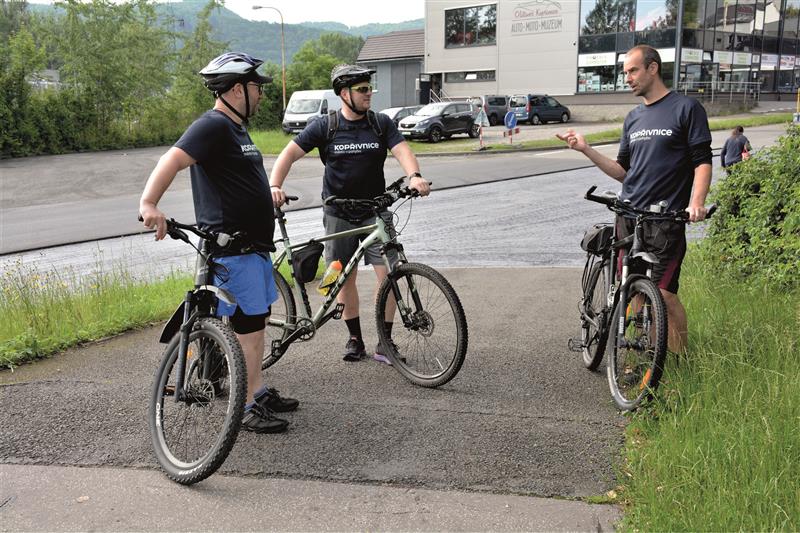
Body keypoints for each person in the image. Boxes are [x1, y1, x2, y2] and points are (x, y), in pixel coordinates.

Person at [139, 52, 298, 434]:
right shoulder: (211, 125)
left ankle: (255, 391)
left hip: (254, 247)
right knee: (246, 328)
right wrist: (149, 203)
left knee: (255, 324)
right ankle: (245, 406)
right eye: (257, 87)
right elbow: (171, 160)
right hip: (233, 250)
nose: (261, 94)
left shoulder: (237, 129)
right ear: (236, 89)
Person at [269, 64, 431, 365]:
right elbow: (288, 154)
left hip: (375, 211)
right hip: (338, 213)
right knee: (342, 278)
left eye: (370, 88)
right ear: (344, 94)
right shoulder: (325, 126)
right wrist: (274, 184)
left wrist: (415, 176)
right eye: (362, 89)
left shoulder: (380, 123)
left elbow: (403, 151)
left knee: (391, 275)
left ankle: (385, 341)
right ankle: (354, 338)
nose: (369, 93)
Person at [556, 45, 712, 355]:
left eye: (632, 70)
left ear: (653, 68)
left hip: (665, 219)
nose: (627, 78)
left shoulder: (686, 108)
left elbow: (702, 162)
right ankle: (642, 358)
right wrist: (586, 149)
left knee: (664, 294)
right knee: (632, 291)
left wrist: (696, 202)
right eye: (625, 71)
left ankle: (679, 363)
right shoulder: (634, 117)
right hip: (628, 214)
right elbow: (622, 172)